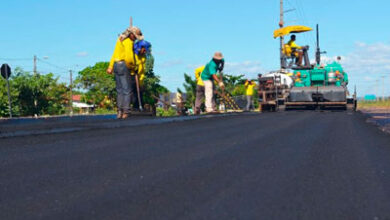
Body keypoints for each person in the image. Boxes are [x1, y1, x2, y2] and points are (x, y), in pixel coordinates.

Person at [107, 27, 143, 119]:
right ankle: (126, 112)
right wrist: (133, 67)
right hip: (124, 65)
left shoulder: (119, 39)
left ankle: (119, 112)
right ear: (131, 34)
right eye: (135, 37)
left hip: (116, 65)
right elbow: (129, 58)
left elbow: (114, 54)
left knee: (120, 90)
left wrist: (110, 66)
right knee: (127, 90)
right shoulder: (128, 42)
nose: (135, 39)